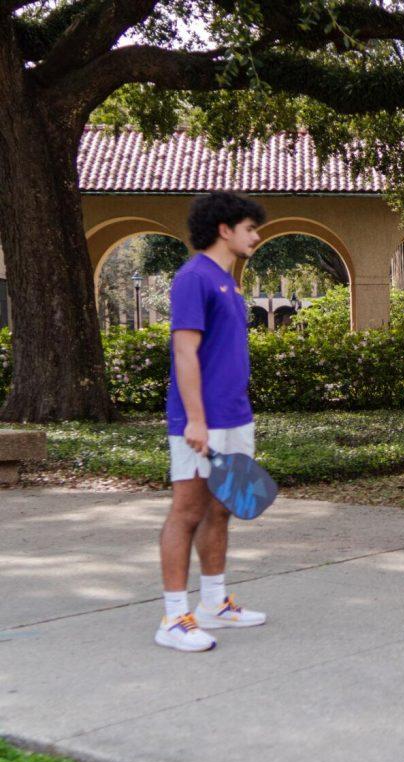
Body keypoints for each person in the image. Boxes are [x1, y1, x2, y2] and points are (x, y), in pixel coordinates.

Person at [155, 192, 268, 651]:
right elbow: (184, 352)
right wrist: (196, 421)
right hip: (201, 420)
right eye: (249, 228)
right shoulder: (193, 278)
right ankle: (172, 617)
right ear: (225, 230)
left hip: (234, 415)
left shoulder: (228, 282)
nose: (256, 237)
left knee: (221, 508)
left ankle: (214, 605)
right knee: (187, 512)